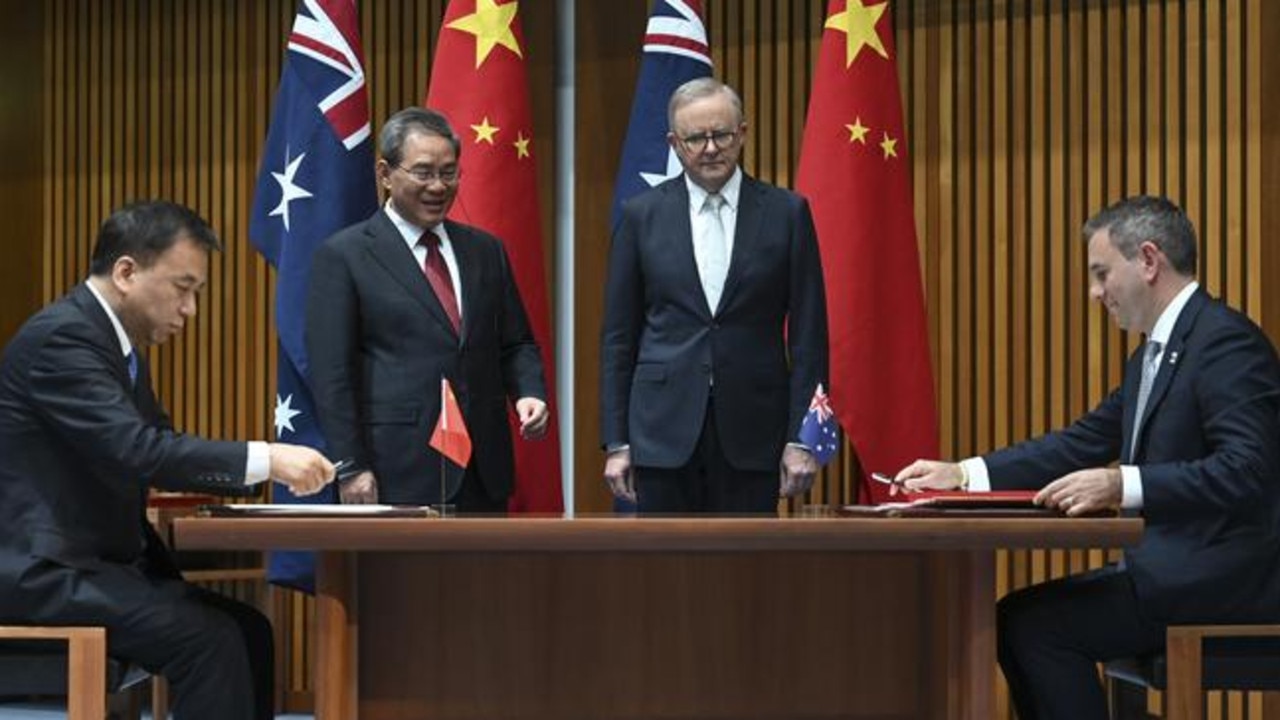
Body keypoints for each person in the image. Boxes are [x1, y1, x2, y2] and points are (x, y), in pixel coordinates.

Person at [893, 195, 1280, 719]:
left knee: (1033, 627)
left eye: (1101, 274)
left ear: (1148, 261)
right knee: (1021, 620)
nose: (1095, 293)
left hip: (1224, 580)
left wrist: (1124, 485)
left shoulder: (1226, 343)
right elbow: (1080, 442)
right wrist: (964, 473)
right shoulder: (1151, 354)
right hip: (1175, 571)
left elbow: (1249, 471)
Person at [0, 200, 336, 720]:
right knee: (211, 641)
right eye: (184, 288)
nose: (190, 310)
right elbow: (138, 449)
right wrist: (267, 458)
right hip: (42, 570)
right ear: (127, 271)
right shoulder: (62, 338)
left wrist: (248, 480)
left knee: (251, 631)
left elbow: (156, 440)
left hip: (94, 563)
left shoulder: (115, 346)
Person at [599, 78, 830, 514]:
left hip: (755, 430)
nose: (710, 148)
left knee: (747, 574)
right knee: (664, 575)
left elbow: (809, 337)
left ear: (742, 133)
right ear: (674, 142)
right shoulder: (640, 216)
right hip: (660, 435)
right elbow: (618, 338)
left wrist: (803, 437)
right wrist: (617, 441)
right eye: (695, 138)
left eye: (721, 135)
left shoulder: (787, 214)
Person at [307, 106, 549, 510]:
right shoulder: (345, 255)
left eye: (449, 172)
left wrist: (529, 392)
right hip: (396, 469)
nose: (438, 186)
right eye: (423, 172)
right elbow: (332, 375)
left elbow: (516, 342)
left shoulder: (486, 251)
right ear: (385, 174)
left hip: (484, 469)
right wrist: (351, 466)